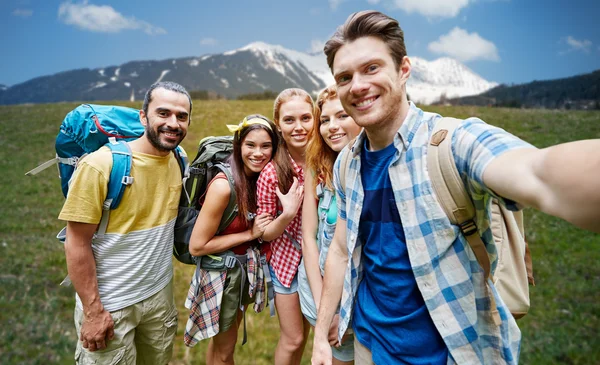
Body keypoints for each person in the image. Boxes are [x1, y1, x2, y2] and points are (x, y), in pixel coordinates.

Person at [311, 10, 600, 365]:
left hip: (453, 351)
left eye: (371, 68)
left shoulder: (451, 144)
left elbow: (538, 171)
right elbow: (341, 249)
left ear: (403, 70)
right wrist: (321, 337)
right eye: (345, 77)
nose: (357, 85)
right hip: (370, 346)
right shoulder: (348, 163)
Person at [59, 81, 192, 364]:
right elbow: (76, 242)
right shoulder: (101, 165)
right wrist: (93, 312)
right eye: (163, 113)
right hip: (111, 306)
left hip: (159, 298)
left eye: (181, 116)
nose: (173, 123)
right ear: (143, 117)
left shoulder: (179, 160)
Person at [186, 115, 278, 365]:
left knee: (221, 344)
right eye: (250, 145)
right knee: (226, 351)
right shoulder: (223, 186)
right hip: (221, 276)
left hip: (237, 274)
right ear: (239, 146)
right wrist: (250, 234)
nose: (258, 153)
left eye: (265, 146)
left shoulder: (257, 178)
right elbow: (197, 245)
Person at [299, 85, 361, 365]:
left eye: (342, 116)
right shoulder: (317, 165)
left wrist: (344, 311)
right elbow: (308, 237)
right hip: (318, 288)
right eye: (325, 120)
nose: (331, 127)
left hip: (357, 302)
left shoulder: (374, 170)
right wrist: (326, 309)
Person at [256, 88, 315, 365]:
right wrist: (287, 214)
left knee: (310, 334)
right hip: (288, 263)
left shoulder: (327, 160)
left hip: (321, 259)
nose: (299, 127)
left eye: (306, 118)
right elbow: (264, 233)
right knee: (293, 339)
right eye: (289, 120)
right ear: (278, 124)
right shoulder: (272, 172)